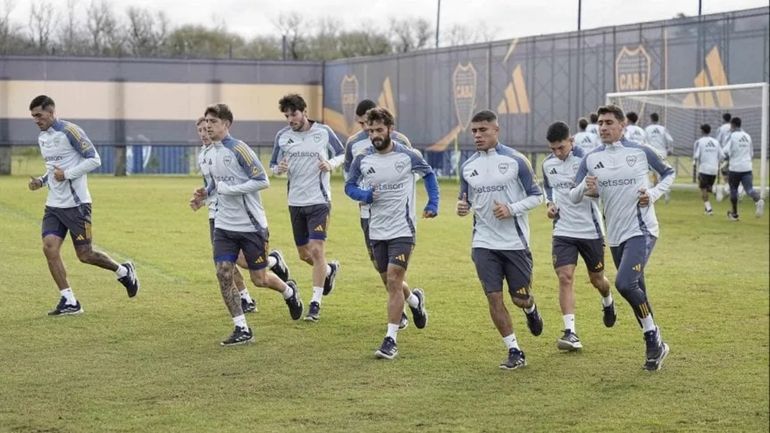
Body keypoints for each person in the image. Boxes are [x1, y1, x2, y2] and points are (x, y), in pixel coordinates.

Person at [569, 104, 674, 371]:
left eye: (608, 123)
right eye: (600, 124)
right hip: (614, 236)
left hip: (642, 229)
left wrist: (651, 194)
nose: (603, 127)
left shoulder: (640, 152)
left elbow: (668, 173)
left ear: (622, 125)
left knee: (625, 283)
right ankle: (656, 348)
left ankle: (653, 338)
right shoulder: (591, 158)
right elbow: (573, 194)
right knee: (638, 290)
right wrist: (586, 187)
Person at [191, 103, 304, 346]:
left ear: (226, 125)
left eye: (213, 122)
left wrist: (230, 189)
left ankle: (288, 291)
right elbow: (214, 185)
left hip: (251, 225)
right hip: (223, 225)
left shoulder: (239, 149)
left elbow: (262, 180)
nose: (208, 126)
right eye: (206, 122)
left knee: (259, 279)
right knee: (224, 272)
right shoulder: (208, 154)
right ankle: (242, 327)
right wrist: (204, 195)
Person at [27, 95, 139, 316]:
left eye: (38, 115)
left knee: (85, 255)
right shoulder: (43, 138)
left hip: (77, 205)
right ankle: (69, 300)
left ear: (51, 112)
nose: (36, 120)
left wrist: (66, 174)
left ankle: (124, 271)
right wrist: (42, 181)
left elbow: (94, 159)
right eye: (33, 116)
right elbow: (53, 170)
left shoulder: (70, 131)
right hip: (54, 205)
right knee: (49, 248)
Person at [345, 107, 437, 360]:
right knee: (388, 280)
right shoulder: (362, 158)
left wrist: (433, 204)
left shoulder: (408, 155)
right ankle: (415, 302)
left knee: (394, 280)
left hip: (403, 230)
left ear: (390, 129)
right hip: (376, 229)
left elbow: (428, 174)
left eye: (379, 130)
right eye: (370, 130)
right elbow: (349, 186)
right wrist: (364, 195)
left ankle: (390, 340)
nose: (374, 134)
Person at [456, 109, 544, 370]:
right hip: (483, 243)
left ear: (496, 130)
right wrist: (462, 207)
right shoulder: (467, 166)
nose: (477, 135)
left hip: (515, 244)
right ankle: (514, 350)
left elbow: (538, 196)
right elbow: (466, 200)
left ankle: (531, 309)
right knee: (494, 297)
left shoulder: (517, 160)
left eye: (483, 130)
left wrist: (511, 208)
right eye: (474, 131)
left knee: (520, 298)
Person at [542, 121, 615, 351]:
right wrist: (550, 204)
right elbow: (548, 189)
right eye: (553, 149)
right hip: (563, 230)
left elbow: (604, 190)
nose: (557, 153)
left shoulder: (590, 160)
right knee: (565, 277)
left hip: (590, 231)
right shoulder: (548, 164)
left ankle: (607, 299)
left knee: (597, 280)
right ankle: (570, 332)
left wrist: (595, 191)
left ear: (571, 141)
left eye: (561, 147)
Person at [270, 94, 344, 322]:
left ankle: (315, 304)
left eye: (294, 114)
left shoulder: (323, 132)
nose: (290, 119)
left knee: (316, 250)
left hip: (319, 201)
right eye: (287, 116)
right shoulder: (282, 137)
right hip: (295, 202)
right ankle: (328, 271)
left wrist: (329, 164)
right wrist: (278, 168)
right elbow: (273, 165)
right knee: (304, 255)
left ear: (304, 112)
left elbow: (342, 153)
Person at [344, 99, 415, 329]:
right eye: (365, 124)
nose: (368, 129)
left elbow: (412, 173)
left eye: (373, 125)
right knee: (383, 271)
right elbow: (350, 177)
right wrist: (363, 195)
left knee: (393, 275)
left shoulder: (401, 142)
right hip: (368, 215)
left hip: (396, 218)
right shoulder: (353, 144)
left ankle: (398, 316)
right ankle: (413, 300)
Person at [723, 117, 765, 220]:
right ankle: (758, 200)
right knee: (749, 189)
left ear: (732, 125)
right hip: (747, 167)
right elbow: (751, 153)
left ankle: (734, 214)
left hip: (735, 168)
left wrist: (726, 161)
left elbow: (726, 151)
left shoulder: (732, 136)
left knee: (733, 190)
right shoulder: (747, 136)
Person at [692, 124, 724, 215]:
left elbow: (697, 155)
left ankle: (709, 209)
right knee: (708, 188)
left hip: (704, 169)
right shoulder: (716, 142)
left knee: (703, 189)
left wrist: (694, 162)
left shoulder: (699, 142)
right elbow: (722, 156)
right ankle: (708, 205)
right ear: (709, 131)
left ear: (702, 131)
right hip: (714, 169)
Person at [644, 113, 674, 203]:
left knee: (651, 174)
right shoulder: (663, 128)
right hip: (662, 153)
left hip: (651, 153)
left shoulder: (647, 129)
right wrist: (670, 149)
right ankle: (665, 191)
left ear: (651, 119)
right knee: (661, 173)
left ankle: (654, 194)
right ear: (658, 119)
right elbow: (670, 140)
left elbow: (644, 141)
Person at [714, 113, 733, 202]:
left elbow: (717, 141)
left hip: (725, 153)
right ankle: (732, 189)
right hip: (734, 153)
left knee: (724, 172)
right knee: (733, 171)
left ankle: (727, 188)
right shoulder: (734, 127)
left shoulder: (721, 129)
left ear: (723, 119)